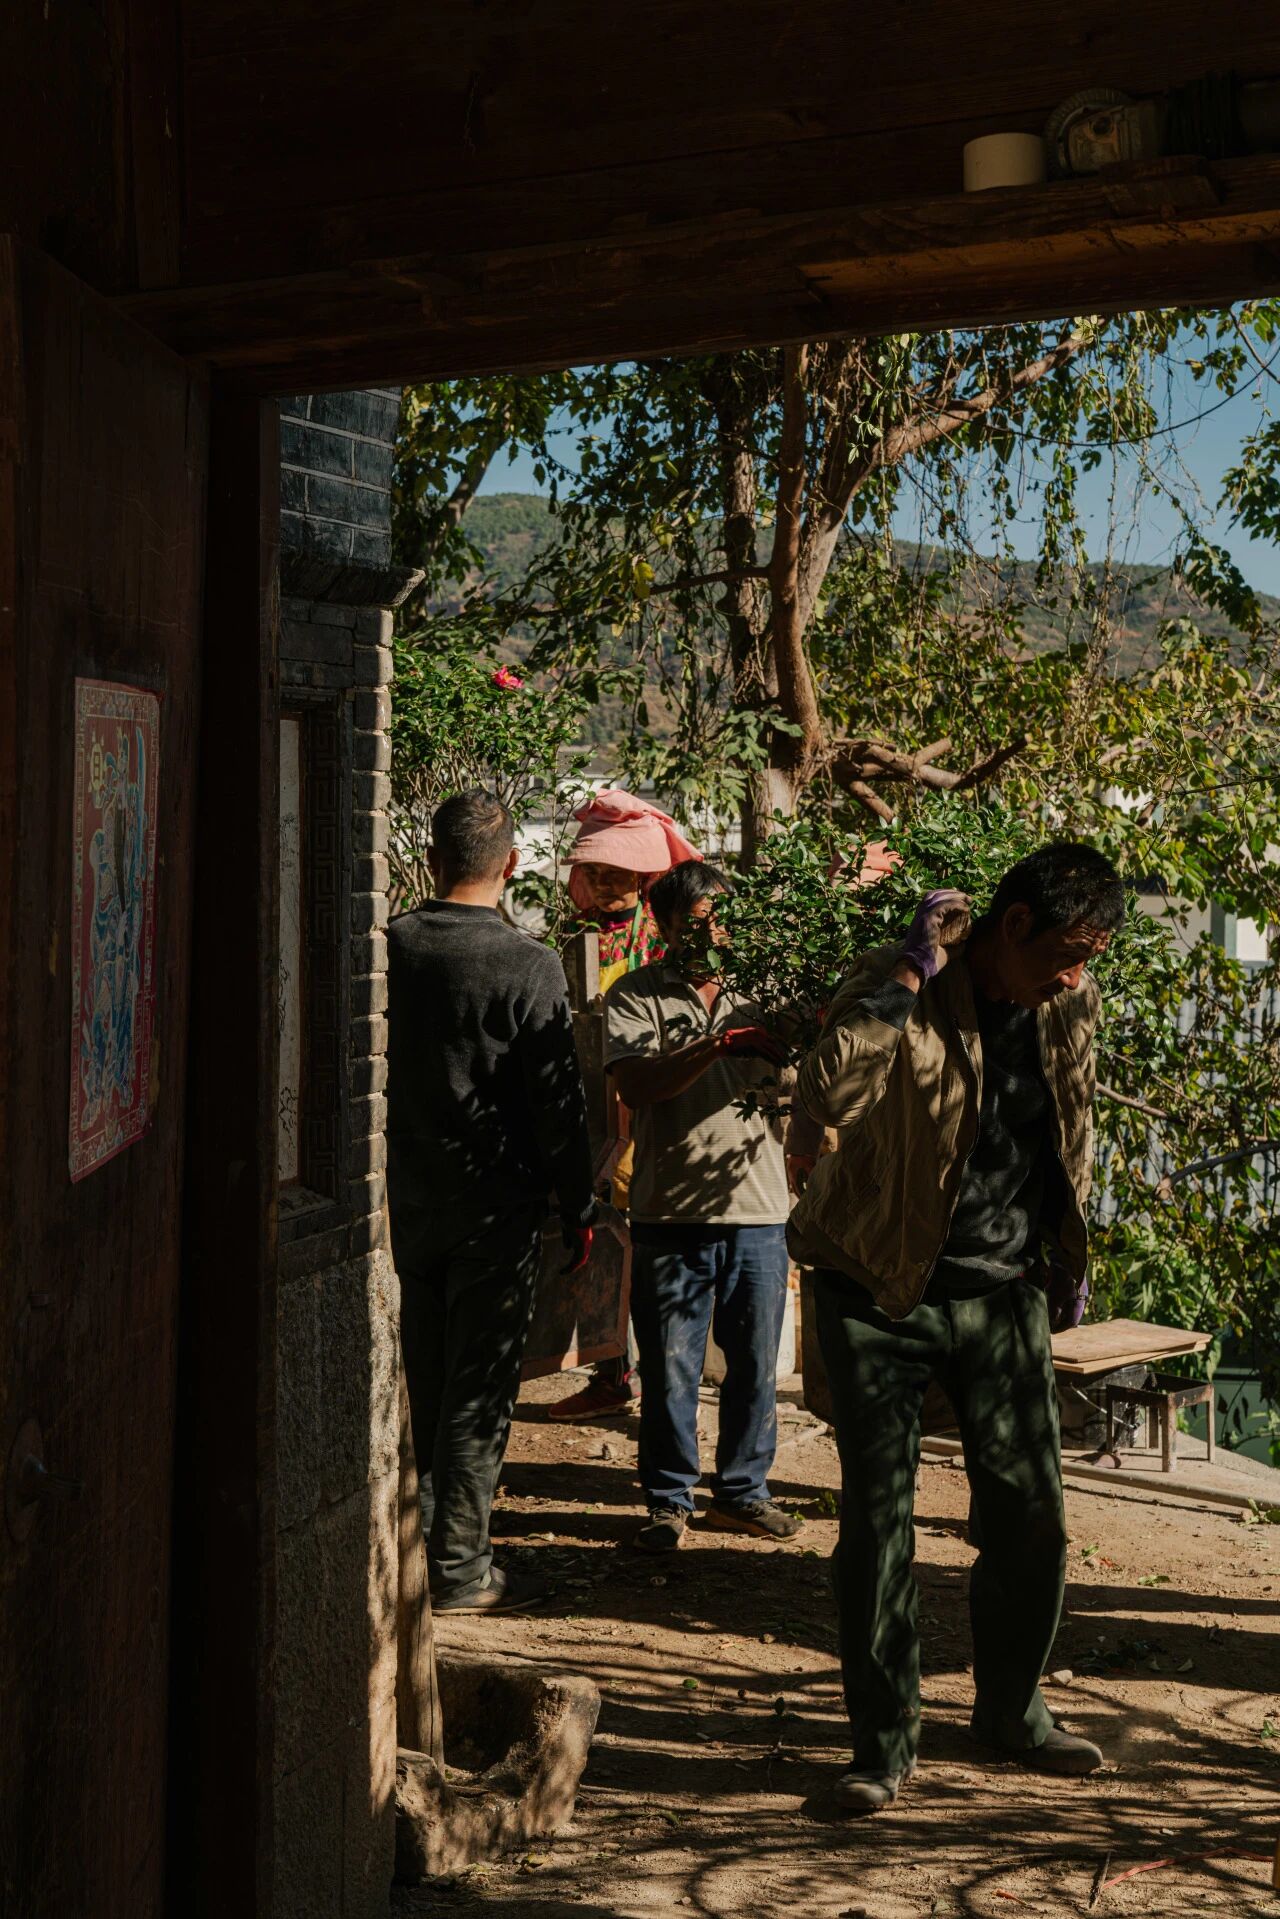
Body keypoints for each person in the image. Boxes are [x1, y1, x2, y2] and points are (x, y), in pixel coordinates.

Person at [788, 842, 1124, 1811]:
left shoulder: (1064, 999)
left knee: (1030, 1519)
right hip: (876, 1294)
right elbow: (826, 1093)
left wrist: (1060, 1256)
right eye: (1065, 949)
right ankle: (880, 1746)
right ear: (1008, 924)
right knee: (879, 1523)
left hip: (1000, 1294)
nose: (1074, 973)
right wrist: (904, 974)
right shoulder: (895, 985)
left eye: (1090, 954)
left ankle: (1010, 1710)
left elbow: (1069, 1121)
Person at [386, 790, 595, 1614]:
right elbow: (559, 1103)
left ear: (435, 857)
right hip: (495, 1217)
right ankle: (463, 1566)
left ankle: (427, 1553)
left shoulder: (392, 945)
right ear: (509, 863)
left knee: (427, 1383)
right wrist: (578, 1205)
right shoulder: (528, 963)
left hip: (406, 1207)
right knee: (477, 1392)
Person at [604, 859, 804, 1551]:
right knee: (669, 1368)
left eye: (722, 917)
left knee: (754, 1367)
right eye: (695, 923)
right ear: (662, 927)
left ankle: (743, 1492)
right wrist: (718, 1044)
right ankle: (667, 1501)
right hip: (669, 1214)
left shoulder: (770, 990)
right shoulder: (635, 995)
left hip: (760, 1211)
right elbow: (635, 1086)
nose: (713, 932)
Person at [551, 789, 701, 1422]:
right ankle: (613, 1373)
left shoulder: (660, 942)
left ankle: (650, 1375)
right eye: (596, 870)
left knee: (648, 1239)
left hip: (645, 1105)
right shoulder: (572, 933)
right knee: (602, 1233)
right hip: (587, 1104)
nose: (605, 882)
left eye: (619, 872)